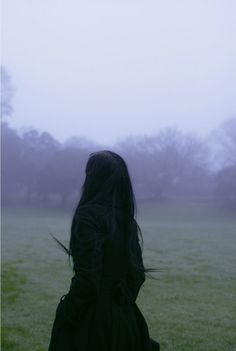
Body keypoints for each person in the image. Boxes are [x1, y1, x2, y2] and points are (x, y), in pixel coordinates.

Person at [48, 150, 160, 351]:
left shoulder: (87, 216)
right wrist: (120, 307)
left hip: (91, 323)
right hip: (126, 319)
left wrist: (69, 312)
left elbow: (88, 277)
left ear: (94, 178)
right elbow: (137, 275)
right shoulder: (127, 221)